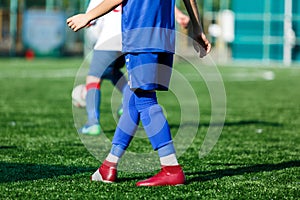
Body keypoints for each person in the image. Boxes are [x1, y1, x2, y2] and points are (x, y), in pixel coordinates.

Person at [67, 0, 211, 186]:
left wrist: (88, 16)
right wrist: (197, 27)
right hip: (165, 36)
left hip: (141, 35)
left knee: (145, 100)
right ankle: (109, 165)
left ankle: (171, 168)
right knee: (134, 98)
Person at [80, 0, 191, 136]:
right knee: (111, 71)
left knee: (94, 76)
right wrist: (178, 14)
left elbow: (92, 20)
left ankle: (92, 122)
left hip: (109, 38)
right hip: (133, 38)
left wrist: (86, 20)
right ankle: (127, 98)